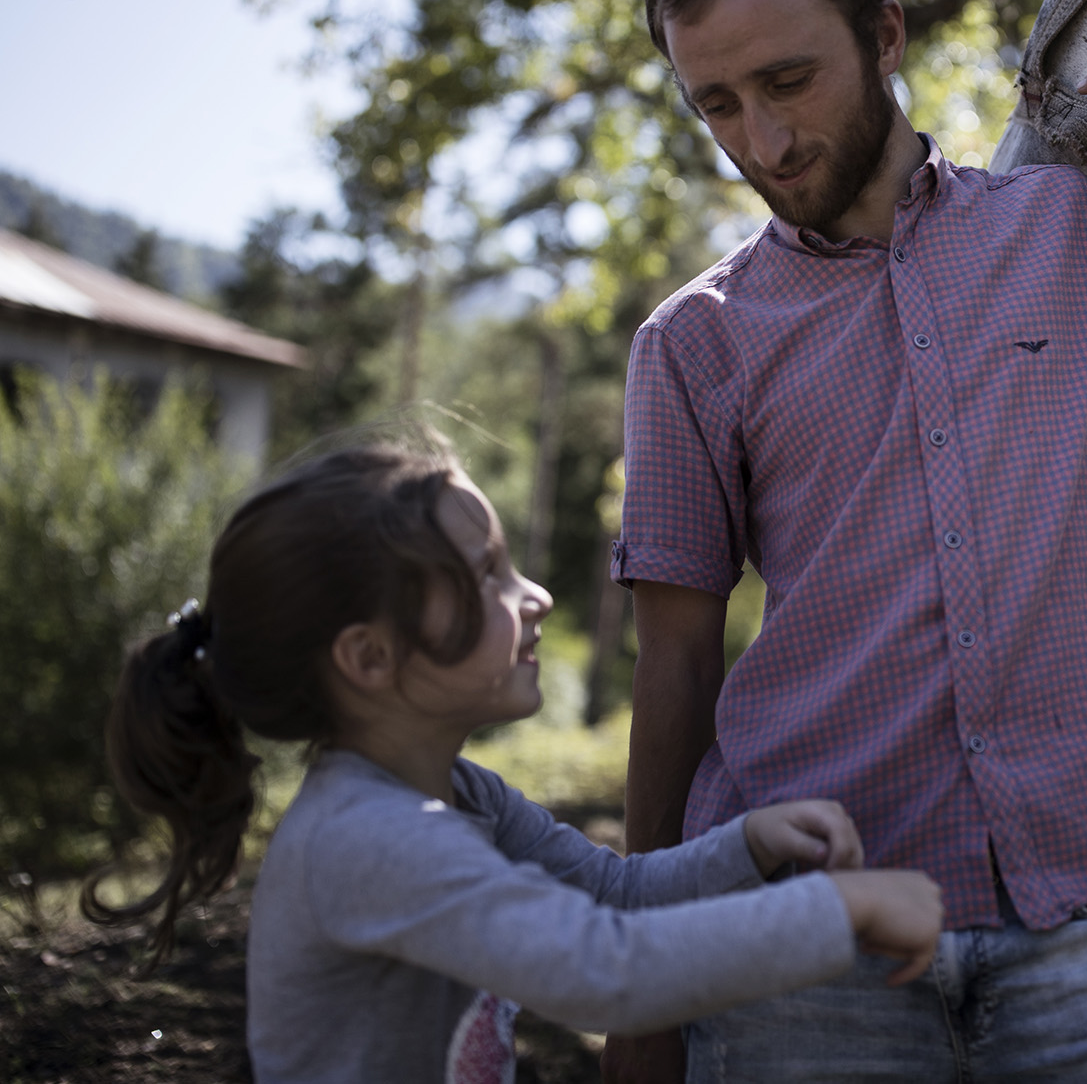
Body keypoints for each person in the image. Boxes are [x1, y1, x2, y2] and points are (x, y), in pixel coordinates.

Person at [606, 0, 1087, 1082]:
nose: (763, 142)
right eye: (716, 104)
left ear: (884, 36)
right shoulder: (689, 344)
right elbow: (675, 667)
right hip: (807, 933)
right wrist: (645, 984)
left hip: (1085, 899)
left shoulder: (1061, 226)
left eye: (787, 81)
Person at [83, 440, 942, 1084]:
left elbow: (614, 897)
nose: (537, 596)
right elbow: (605, 971)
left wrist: (749, 842)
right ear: (370, 657)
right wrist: (841, 911)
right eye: (489, 574)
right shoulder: (368, 839)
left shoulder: (458, 795)